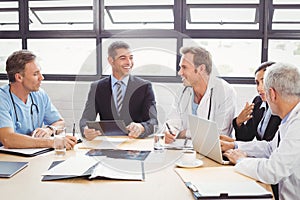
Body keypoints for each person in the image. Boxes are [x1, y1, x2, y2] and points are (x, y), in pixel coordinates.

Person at [222, 63, 300, 200]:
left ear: (272, 94)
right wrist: (235, 146)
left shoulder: (297, 124)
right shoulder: (290, 117)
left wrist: (241, 160)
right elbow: (270, 147)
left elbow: (273, 171)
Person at [79, 41, 157, 140]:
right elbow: (86, 118)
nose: (129, 62)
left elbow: (154, 121)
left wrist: (142, 127)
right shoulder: (97, 87)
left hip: (135, 144)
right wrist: (85, 129)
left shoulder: (144, 87)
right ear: (111, 61)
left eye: (131, 58)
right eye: (123, 58)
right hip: (107, 144)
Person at [0, 50, 77, 149]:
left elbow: (60, 122)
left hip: (34, 155)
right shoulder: (2, 99)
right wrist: (51, 142)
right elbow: (8, 139)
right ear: (19, 77)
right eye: (36, 74)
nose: (42, 77)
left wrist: (50, 130)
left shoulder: (39, 95)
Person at [165, 46, 236, 144]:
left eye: (184, 67)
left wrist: (184, 133)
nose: (179, 72)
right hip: (184, 152)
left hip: (214, 153)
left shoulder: (225, 92)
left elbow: (220, 134)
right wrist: (169, 132)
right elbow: (172, 123)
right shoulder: (182, 91)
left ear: (201, 69)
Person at [233, 61, 281, 141]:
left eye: (264, 81)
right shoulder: (258, 101)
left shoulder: (283, 107)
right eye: (257, 83)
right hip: (260, 152)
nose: (259, 88)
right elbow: (246, 138)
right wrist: (239, 122)